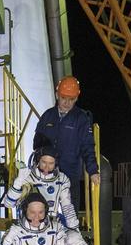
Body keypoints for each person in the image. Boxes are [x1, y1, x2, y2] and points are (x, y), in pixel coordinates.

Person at [4, 143, 92, 245]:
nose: (46, 167)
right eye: (44, 162)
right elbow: (9, 203)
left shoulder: (62, 179)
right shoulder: (27, 176)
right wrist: (18, 182)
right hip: (30, 226)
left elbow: (67, 207)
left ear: (56, 164)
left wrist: (75, 229)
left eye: (51, 163)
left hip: (54, 224)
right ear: (37, 161)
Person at [33, 75, 100, 214]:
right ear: (57, 95)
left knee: (69, 212)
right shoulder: (48, 116)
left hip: (70, 175)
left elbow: (87, 146)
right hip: (46, 174)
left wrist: (93, 171)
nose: (67, 102)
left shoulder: (81, 119)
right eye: (64, 98)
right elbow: (37, 144)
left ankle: (70, 234)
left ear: (76, 98)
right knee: (44, 212)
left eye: (71, 99)